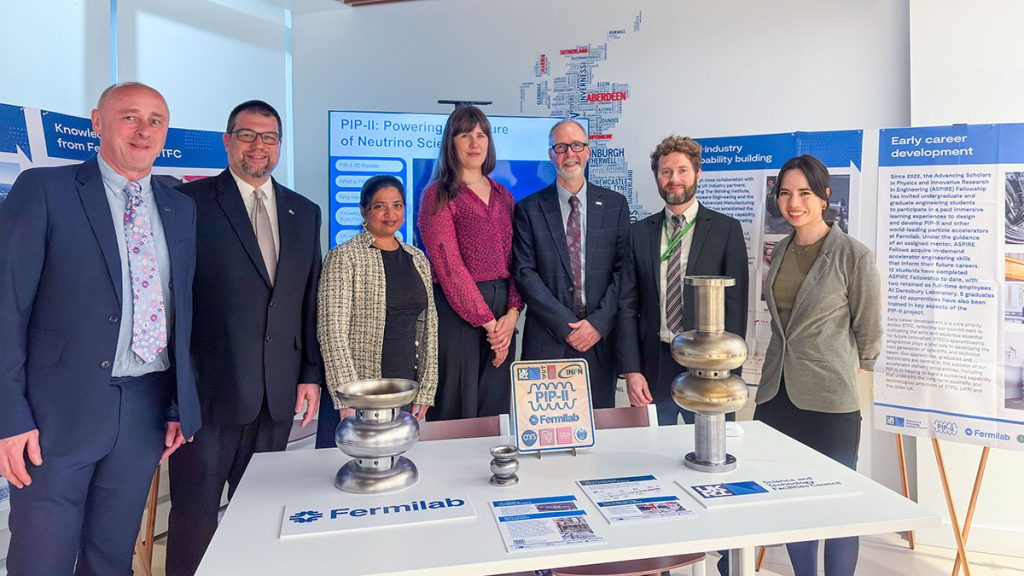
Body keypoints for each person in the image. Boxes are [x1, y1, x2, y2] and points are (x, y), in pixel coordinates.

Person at [0, 82, 199, 576]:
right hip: (54, 414)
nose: (144, 129)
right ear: (96, 122)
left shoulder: (180, 208)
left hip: (144, 410)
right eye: (130, 116)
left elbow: (181, 312)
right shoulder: (45, 190)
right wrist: (9, 416)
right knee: (40, 559)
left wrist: (178, 403)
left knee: (111, 557)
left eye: (156, 120)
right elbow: (6, 307)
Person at [166, 100, 323, 576]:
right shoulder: (187, 204)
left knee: (261, 516)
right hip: (208, 393)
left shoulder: (304, 210)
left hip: (276, 394)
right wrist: (177, 393)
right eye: (247, 134)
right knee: (195, 516)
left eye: (269, 137)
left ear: (279, 145)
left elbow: (307, 300)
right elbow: (174, 303)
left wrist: (311, 374)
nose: (259, 146)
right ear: (227, 140)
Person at [756, 154, 881, 576]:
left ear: (824, 197)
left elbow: (869, 332)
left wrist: (847, 373)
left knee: (840, 503)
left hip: (830, 400)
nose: (795, 203)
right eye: (786, 194)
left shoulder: (853, 256)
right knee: (793, 501)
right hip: (777, 396)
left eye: (805, 193)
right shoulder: (781, 249)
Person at [618, 135, 748, 426]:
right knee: (651, 452)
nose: (674, 179)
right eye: (666, 172)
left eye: (682, 170)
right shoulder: (639, 233)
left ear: (698, 174)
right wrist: (631, 370)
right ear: (657, 177)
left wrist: (730, 372)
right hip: (654, 365)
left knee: (711, 454)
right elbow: (627, 306)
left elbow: (736, 308)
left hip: (710, 367)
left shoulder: (726, 230)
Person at [513, 119, 630, 408]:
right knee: (544, 435)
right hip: (547, 341)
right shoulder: (528, 209)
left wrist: (597, 324)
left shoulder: (615, 205)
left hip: (599, 342)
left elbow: (624, 271)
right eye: (561, 147)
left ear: (587, 151)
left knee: (599, 435)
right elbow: (525, 273)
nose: (570, 154)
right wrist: (567, 326)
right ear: (551, 155)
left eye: (577, 145)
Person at [315, 175, 438, 447]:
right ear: (364, 210)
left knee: (397, 469)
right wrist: (348, 398)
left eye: (397, 205)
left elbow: (429, 328)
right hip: (359, 393)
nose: (390, 214)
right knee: (347, 473)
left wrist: (426, 389)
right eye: (380, 206)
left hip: (403, 390)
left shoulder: (417, 258)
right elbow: (331, 331)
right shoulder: (344, 258)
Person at [418, 105, 522, 420]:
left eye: (481, 135)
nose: (474, 143)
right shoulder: (437, 195)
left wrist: (512, 315)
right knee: (455, 405)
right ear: (451, 143)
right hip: (457, 314)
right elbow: (449, 268)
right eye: (465, 135)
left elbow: (519, 258)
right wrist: (490, 324)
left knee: (495, 406)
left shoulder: (504, 196)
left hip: (503, 312)